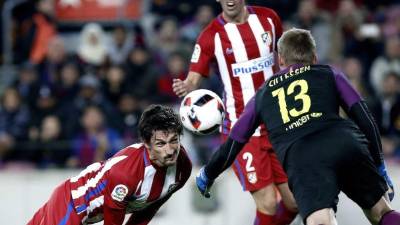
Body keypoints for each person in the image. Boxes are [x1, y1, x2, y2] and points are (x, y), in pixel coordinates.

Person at [196, 28, 400, 225]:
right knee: (381, 211)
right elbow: (365, 118)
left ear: (281, 60)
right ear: (314, 58)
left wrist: (209, 173)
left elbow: (234, 141)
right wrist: (379, 163)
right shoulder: (329, 73)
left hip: (303, 156)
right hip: (345, 141)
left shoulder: (264, 93)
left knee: (321, 221)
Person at [172, 0, 298, 224]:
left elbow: (284, 56)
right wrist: (186, 86)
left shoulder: (269, 19)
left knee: (294, 202)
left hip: (279, 123)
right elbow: (194, 76)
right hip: (243, 129)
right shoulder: (211, 36)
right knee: (268, 202)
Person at [27, 105, 192, 225]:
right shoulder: (126, 174)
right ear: (146, 144)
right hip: (71, 203)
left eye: (174, 141)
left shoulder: (184, 167)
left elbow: (150, 207)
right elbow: (113, 221)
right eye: (161, 144)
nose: (170, 150)